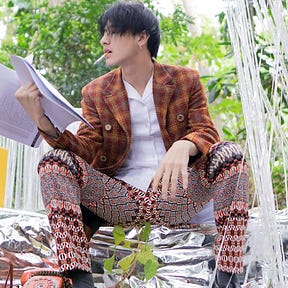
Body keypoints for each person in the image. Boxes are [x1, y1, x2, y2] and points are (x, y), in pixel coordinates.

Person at [15, 1, 249, 287]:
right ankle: (78, 277)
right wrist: (41, 119)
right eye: (104, 33)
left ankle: (228, 276)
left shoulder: (185, 80)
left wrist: (183, 146)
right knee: (53, 163)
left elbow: (206, 131)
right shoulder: (96, 92)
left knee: (231, 154)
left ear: (141, 37)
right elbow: (86, 150)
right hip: (121, 199)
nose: (104, 40)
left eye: (113, 32)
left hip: (178, 192)